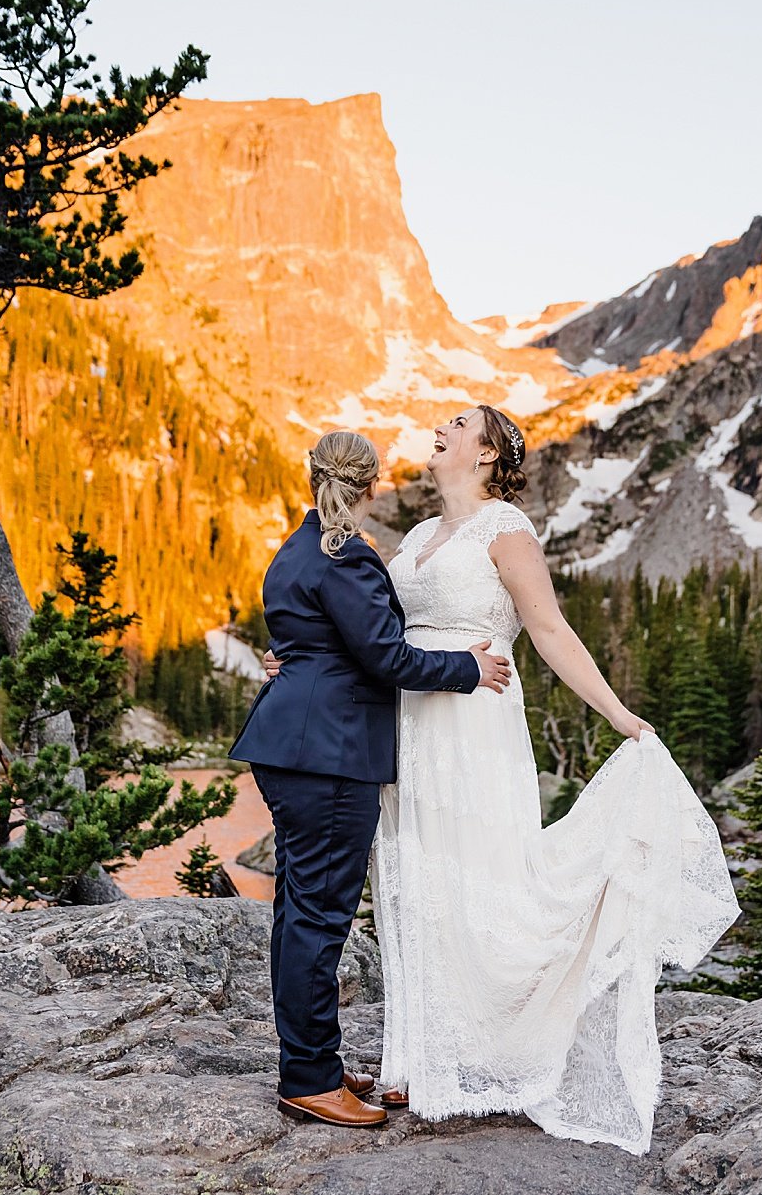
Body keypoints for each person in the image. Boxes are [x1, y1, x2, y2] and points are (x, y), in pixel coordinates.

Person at [265, 406, 738, 1154]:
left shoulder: (506, 527)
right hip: (405, 729)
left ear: (487, 452)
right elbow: (366, 631)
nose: (438, 428)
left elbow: (548, 629)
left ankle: (494, 1049)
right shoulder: (416, 537)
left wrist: (617, 712)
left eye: (456, 422)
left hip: (473, 723)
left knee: (480, 879)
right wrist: (304, 661)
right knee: (416, 886)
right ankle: (420, 1060)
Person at [229, 429, 513, 1129]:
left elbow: (310, 644)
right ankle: (307, 1079)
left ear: (312, 479)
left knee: (298, 910)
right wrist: (468, 670)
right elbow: (386, 656)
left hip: (295, 743)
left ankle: (315, 1064)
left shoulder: (293, 550)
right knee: (319, 918)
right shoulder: (344, 555)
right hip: (331, 753)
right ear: (369, 486)